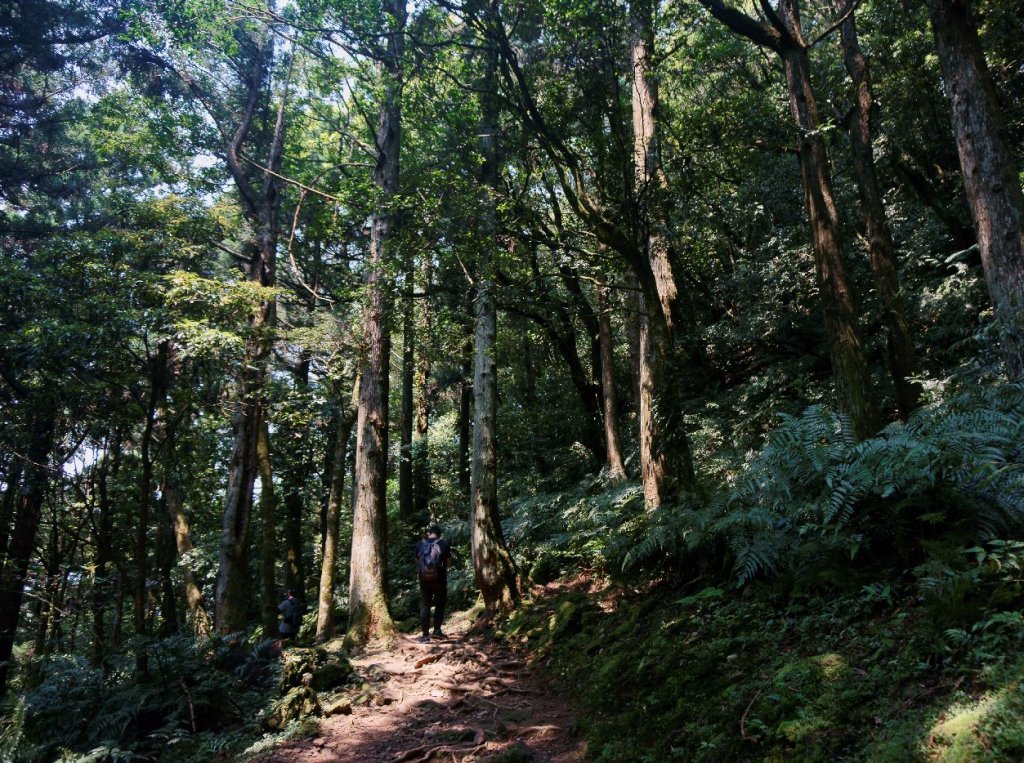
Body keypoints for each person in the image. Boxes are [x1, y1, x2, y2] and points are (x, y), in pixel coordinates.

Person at [413, 524, 452, 643]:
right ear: (439, 534)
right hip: (439, 579)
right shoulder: (443, 544)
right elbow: (448, 563)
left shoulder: (420, 545)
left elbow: (416, 562)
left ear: (429, 533)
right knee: (440, 604)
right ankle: (437, 631)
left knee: (425, 604)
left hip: (424, 580)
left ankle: (425, 635)